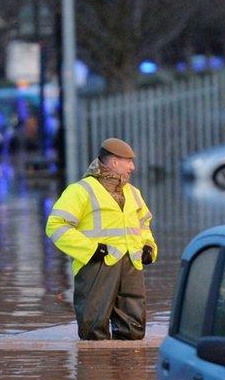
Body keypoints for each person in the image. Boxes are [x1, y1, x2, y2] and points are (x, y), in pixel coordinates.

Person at [46, 138, 158, 340]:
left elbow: (143, 224)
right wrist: (91, 249)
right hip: (96, 266)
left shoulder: (133, 192)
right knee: (94, 331)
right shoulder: (81, 190)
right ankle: (97, 369)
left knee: (134, 331)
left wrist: (148, 246)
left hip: (131, 265)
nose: (132, 166)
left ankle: (129, 370)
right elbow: (55, 226)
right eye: (129, 161)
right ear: (115, 162)